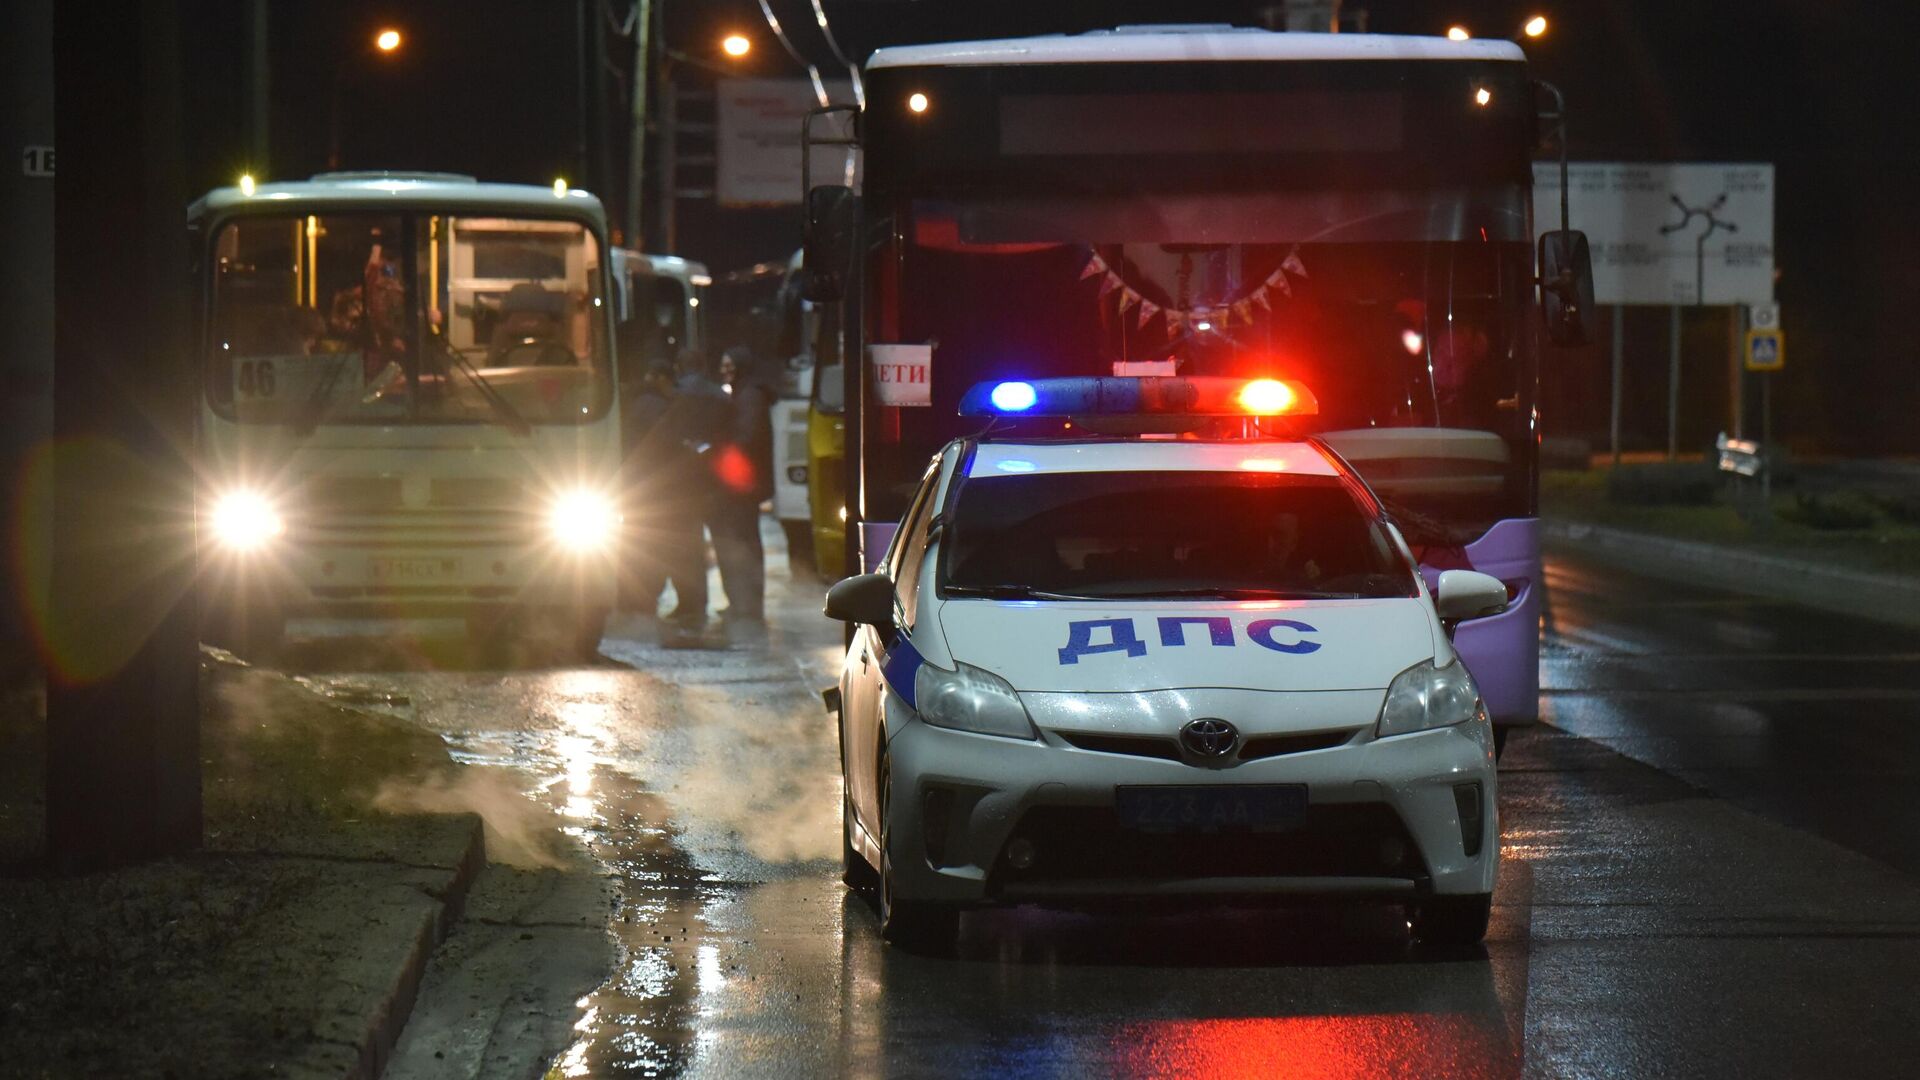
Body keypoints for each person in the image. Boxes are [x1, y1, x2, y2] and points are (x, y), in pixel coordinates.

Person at [708, 347, 774, 629]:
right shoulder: (748, 393)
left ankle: (746, 607)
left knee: (742, 543)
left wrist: (718, 448)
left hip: (741, 486)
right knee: (745, 543)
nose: (725, 371)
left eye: (729, 366)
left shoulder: (747, 397)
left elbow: (745, 439)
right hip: (746, 484)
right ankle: (745, 605)